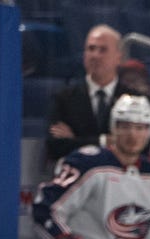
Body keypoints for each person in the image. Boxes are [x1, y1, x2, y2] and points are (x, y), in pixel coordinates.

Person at [33, 95, 150, 239]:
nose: (133, 135)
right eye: (125, 126)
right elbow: (45, 208)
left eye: (140, 128)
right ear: (113, 128)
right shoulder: (87, 163)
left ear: (149, 132)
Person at [46, 25, 124, 163]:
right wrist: (105, 140)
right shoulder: (64, 98)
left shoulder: (134, 98)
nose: (95, 55)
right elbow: (56, 147)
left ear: (118, 57)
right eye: (91, 49)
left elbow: (140, 147)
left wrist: (76, 140)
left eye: (103, 50)